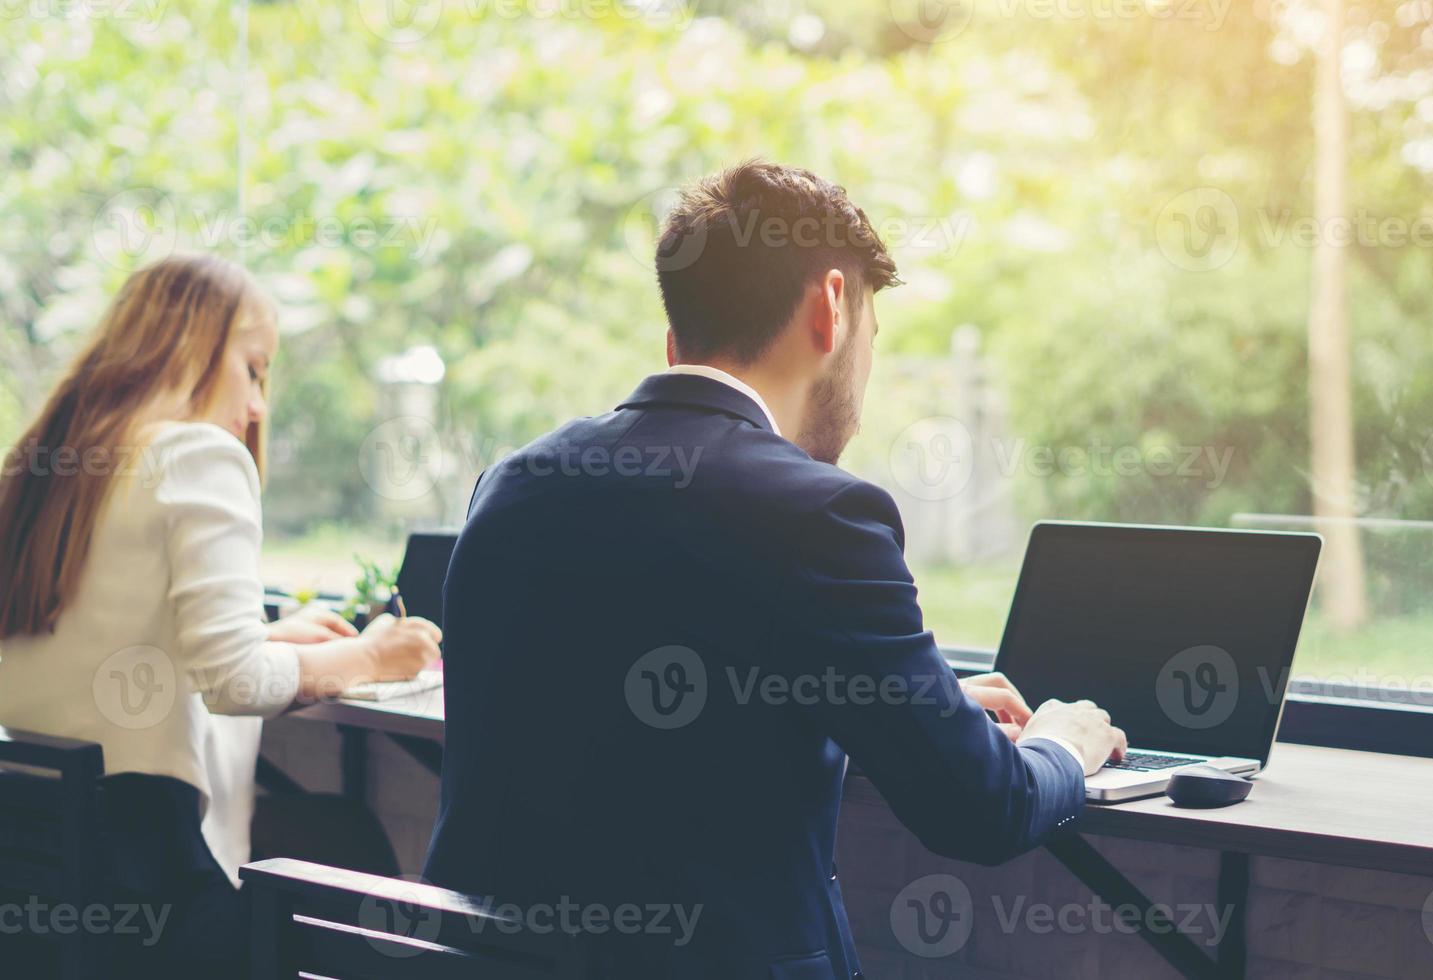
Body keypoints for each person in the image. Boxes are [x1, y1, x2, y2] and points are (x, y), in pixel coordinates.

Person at [424, 160, 1127, 977]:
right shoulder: (821, 514)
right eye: (872, 335)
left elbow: (628, 719)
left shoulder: (513, 484)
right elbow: (981, 810)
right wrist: (1061, 746)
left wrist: (895, 702)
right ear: (832, 307)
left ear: (675, 336)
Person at [0, 254, 441, 977]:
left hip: (47, 881)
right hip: (152, 889)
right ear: (189, 348)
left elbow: (99, 636)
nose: (259, 405)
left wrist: (268, 637)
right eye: (254, 368)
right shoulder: (198, 454)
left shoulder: (53, 467)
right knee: (354, 868)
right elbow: (233, 683)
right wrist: (366, 658)